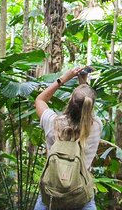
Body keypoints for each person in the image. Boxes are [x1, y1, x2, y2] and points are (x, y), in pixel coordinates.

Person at [34, 66, 102, 210]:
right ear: (90, 106)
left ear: (70, 101)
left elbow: (40, 100)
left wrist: (63, 78)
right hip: (81, 195)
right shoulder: (96, 126)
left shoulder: (54, 123)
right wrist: (83, 84)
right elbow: (86, 103)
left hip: (52, 195)